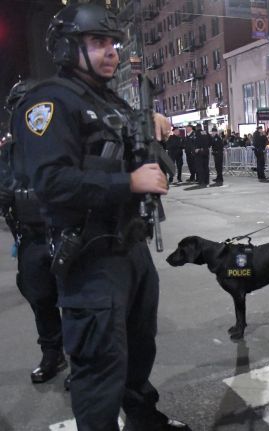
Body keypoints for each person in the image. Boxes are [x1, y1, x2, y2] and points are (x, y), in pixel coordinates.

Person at [15, 4, 191, 430]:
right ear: (67, 48)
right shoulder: (49, 102)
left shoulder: (105, 99)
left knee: (138, 348)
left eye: (112, 43)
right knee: (98, 367)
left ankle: (144, 421)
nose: (111, 51)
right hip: (90, 257)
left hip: (130, 246)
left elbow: (117, 131)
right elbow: (51, 184)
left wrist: (148, 120)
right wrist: (128, 183)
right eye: (98, 42)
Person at [3, 79, 67, 386]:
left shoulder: (64, 146)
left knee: (76, 299)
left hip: (67, 234)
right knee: (41, 299)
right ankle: (53, 353)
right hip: (31, 238)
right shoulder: (9, 154)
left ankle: (83, 359)